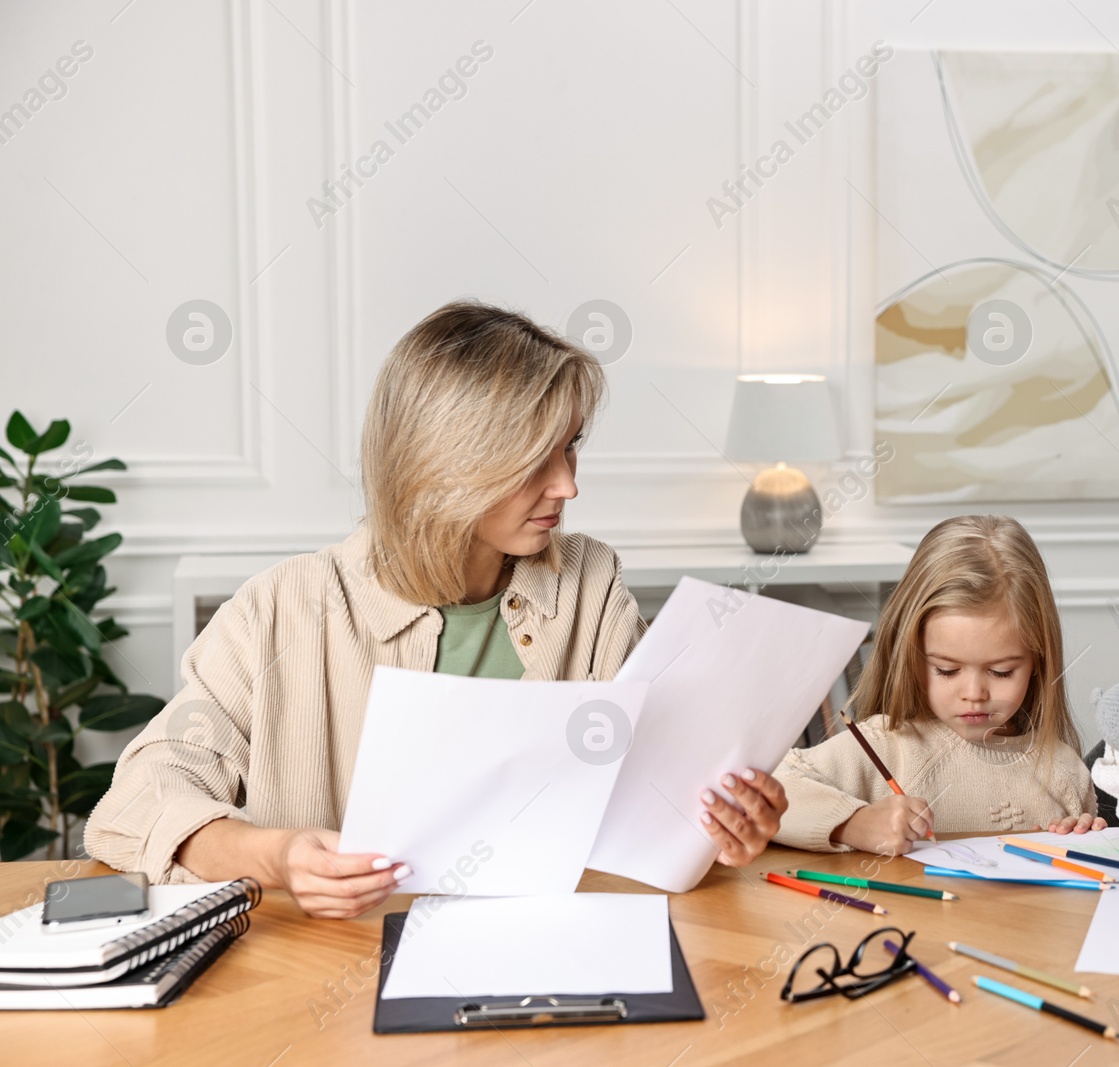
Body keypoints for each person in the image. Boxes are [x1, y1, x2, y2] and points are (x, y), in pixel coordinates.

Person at [84, 301, 787, 917]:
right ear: (445, 462)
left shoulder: (589, 584)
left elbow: (654, 790)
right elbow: (139, 800)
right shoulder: (280, 610)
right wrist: (277, 857)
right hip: (327, 976)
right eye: (536, 458)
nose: (568, 484)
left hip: (551, 945)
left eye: (570, 447)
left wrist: (725, 825)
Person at [772, 515, 1104, 855]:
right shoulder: (886, 747)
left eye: (1002, 671)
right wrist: (854, 824)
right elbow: (772, 787)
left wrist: (1086, 840)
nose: (974, 694)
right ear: (911, 655)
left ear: (1038, 662)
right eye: (947, 670)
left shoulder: (1064, 771)